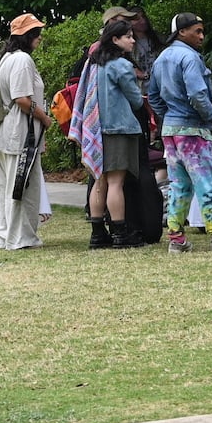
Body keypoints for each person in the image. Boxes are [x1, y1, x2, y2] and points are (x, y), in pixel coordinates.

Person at [149, 12, 212, 252]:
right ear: (182, 31)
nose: (202, 36)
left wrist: (169, 114)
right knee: (208, 182)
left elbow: (152, 96)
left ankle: (176, 240)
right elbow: (197, 94)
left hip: (170, 131)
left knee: (179, 185)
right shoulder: (190, 57)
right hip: (193, 131)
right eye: (197, 31)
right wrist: (210, 117)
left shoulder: (161, 58)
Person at [83, 18, 148, 249]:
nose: (133, 40)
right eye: (128, 36)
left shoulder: (96, 63)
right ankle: (121, 233)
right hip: (119, 128)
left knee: (98, 180)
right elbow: (135, 100)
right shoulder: (121, 65)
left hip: (96, 128)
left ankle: (97, 233)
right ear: (115, 39)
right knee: (116, 182)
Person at [0, 13, 52, 251]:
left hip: (4, 132)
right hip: (20, 134)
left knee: (6, 187)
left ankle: (4, 235)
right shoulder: (22, 60)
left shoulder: (5, 58)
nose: (39, 37)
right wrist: (44, 117)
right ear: (26, 36)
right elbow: (21, 99)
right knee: (22, 186)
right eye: (36, 33)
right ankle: (20, 238)